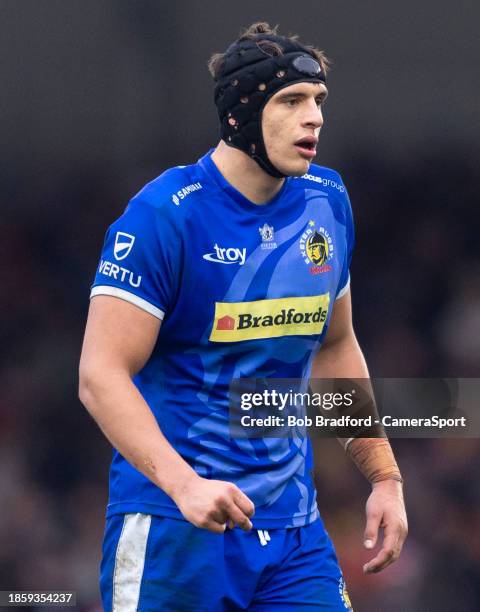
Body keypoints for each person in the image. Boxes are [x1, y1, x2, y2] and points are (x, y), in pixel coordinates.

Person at [79, 22, 408, 611]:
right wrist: (184, 486)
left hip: (293, 534)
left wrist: (384, 476)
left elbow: (335, 347)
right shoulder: (163, 215)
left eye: (319, 102)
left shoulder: (326, 201)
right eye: (293, 101)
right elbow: (100, 375)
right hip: (176, 527)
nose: (315, 119)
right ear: (240, 115)